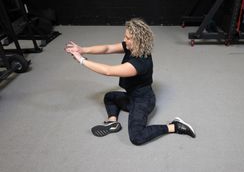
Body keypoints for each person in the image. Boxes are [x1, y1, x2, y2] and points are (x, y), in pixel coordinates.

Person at [65, 18, 195, 145]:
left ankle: (174, 126)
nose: (124, 40)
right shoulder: (132, 47)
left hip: (143, 101)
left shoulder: (140, 63)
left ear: (137, 41)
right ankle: (112, 122)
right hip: (131, 97)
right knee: (110, 97)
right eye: (125, 36)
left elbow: (108, 71)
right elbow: (107, 48)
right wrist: (83, 50)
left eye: (127, 38)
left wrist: (82, 60)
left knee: (136, 137)